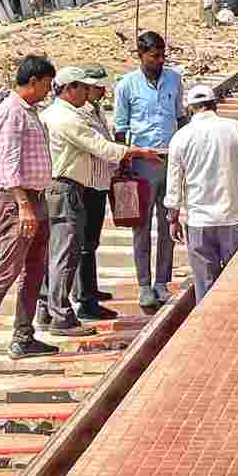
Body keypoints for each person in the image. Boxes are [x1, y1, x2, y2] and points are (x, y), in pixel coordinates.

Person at [36, 68, 159, 335]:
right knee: (65, 254)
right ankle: (61, 316)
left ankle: (48, 310)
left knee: (62, 251)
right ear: (70, 89)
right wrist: (136, 152)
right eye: (83, 88)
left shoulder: (61, 114)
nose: (87, 93)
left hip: (69, 186)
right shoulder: (66, 118)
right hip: (66, 187)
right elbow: (100, 147)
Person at [0, 56, 59, 361]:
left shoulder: (28, 112)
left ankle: (23, 336)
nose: (48, 91)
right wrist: (23, 206)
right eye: (46, 85)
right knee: (9, 268)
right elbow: (8, 161)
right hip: (19, 201)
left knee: (34, 269)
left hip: (36, 198)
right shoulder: (11, 112)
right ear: (33, 82)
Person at [165, 83, 238, 302]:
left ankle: (206, 326)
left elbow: (174, 184)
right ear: (214, 105)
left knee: (205, 284)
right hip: (234, 216)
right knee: (236, 280)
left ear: (190, 109)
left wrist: (173, 217)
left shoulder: (181, 137)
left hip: (199, 221)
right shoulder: (235, 128)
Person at [113, 31, 186, 311]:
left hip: (170, 158)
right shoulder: (127, 86)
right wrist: (124, 164)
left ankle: (161, 283)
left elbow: (180, 116)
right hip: (142, 163)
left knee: (169, 222)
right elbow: (120, 128)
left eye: (162, 55)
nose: (159, 61)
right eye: (154, 56)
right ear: (140, 55)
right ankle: (144, 285)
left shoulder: (174, 79)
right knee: (140, 227)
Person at [72, 64, 117, 318]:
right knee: (85, 244)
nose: (102, 92)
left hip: (99, 182)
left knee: (92, 241)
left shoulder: (95, 110)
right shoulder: (80, 114)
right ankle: (86, 300)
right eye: (98, 87)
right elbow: (99, 146)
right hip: (88, 184)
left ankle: (89, 289)